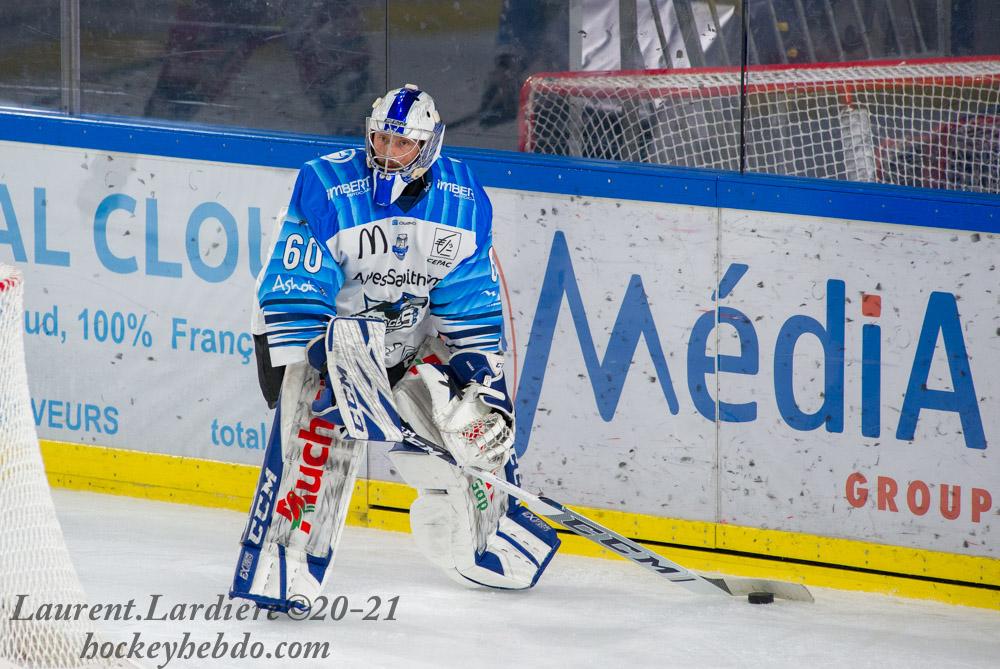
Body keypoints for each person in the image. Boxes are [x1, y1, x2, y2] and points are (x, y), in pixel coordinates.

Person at [230, 85, 561, 611]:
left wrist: (474, 365)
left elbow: (467, 293)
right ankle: (285, 566)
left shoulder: (463, 197)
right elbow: (295, 278)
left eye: (402, 144)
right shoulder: (326, 184)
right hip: (329, 337)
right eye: (381, 138)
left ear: (428, 148)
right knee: (317, 441)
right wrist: (325, 358)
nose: (388, 152)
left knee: (475, 428)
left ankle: (488, 534)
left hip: (406, 340)